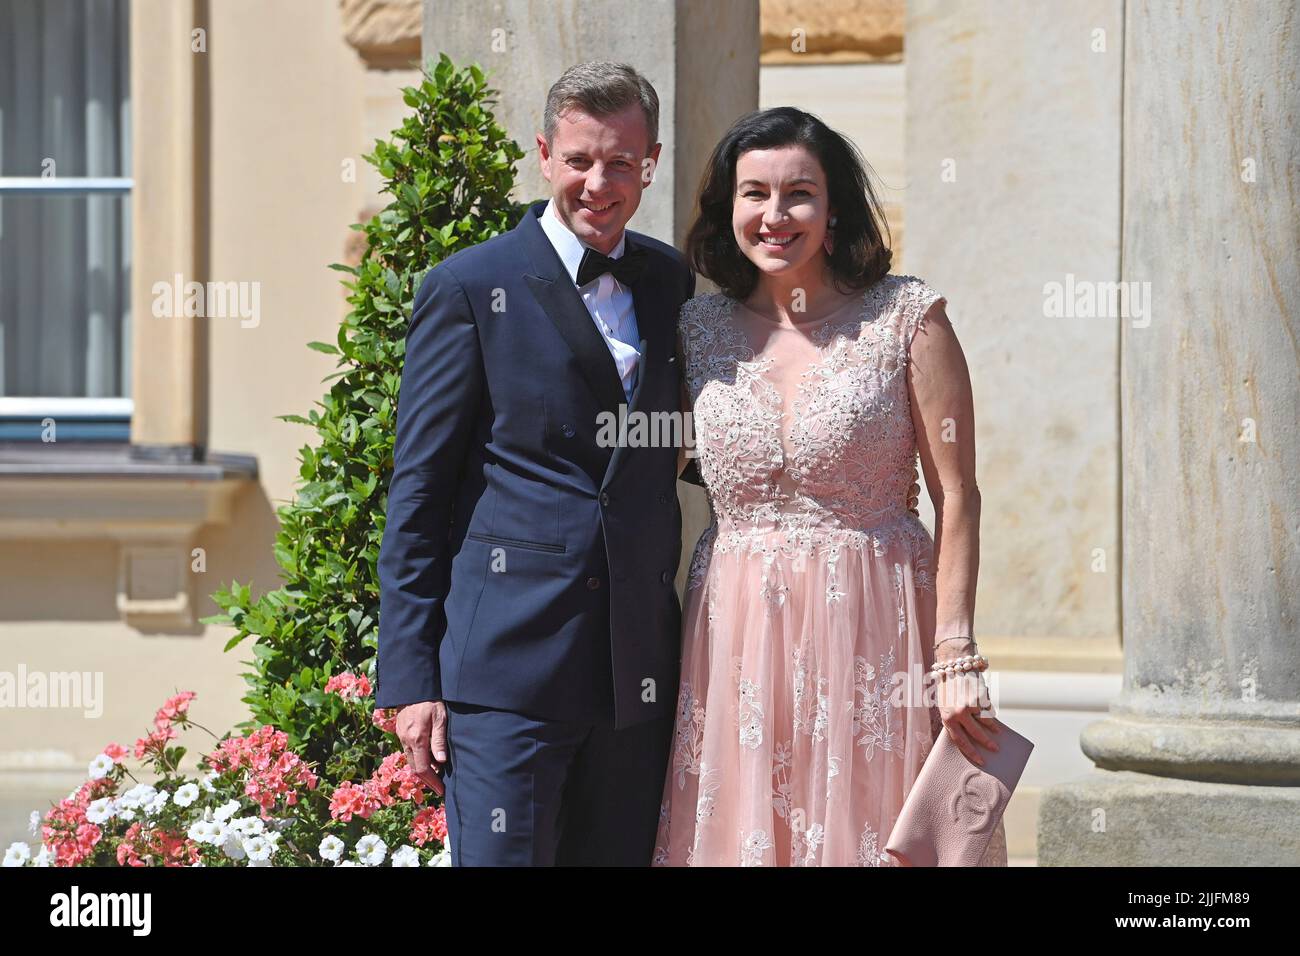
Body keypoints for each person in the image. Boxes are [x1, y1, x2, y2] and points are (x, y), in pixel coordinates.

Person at [652, 106, 1008, 866]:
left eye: (798, 194)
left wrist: (955, 655)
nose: (775, 216)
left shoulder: (909, 318)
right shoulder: (693, 331)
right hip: (736, 632)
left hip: (878, 624)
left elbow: (958, 494)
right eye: (754, 194)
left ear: (834, 206)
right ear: (729, 208)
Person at [376, 61, 695, 866]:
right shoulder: (467, 286)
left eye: (621, 161)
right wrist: (411, 678)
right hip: (506, 680)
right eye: (580, 159)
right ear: (546, 154)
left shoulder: (672, 283)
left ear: (650, 162)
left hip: (638, 681)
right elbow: (419, 490)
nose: (599, 181)